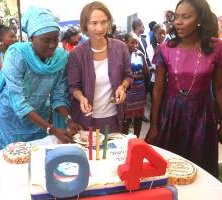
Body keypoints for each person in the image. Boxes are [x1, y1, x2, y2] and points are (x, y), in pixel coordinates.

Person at [145, 0, 222, 177]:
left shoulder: (216, 48)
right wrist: (154, 124)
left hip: (202, 117)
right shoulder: (166, 49)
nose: (178, 22)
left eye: (185, 17)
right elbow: (157, 90)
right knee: (169, 170)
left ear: (200, 19)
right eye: (176, 16)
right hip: (171, 116)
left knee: (200, 172)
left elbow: (218, 88)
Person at [0, 6, 81, 149]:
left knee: (38, 155)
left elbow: (58, 96)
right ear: (32, 38)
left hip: (39, 116)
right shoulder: (17, 55)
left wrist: (68, 119)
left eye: (55, 39)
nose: (52, 45)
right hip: (11, 118)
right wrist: (51, 129)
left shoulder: (60, 59)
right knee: (16, 158)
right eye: (46, 40)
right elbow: (19, 102)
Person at [67, 1, 133, 133]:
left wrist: (122, 86)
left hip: (113, 117)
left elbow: (128, 76)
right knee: (89, 153)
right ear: (85, 25)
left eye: (104, 22)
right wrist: (81, 98)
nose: (100, 28)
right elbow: (73, 86)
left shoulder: (120, 48)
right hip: (86, 119)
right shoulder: (77, 54)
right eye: (94, 23)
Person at [122, 32, 149, 137]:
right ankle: (124, 139)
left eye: (136, 43)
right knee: (127, 118)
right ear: (125, 42)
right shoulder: (122, 56)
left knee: (138, 117)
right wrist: (138, 76)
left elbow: (146, 74)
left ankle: (137, 139)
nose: (135, 45)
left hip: (139, 91)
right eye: (132, 43)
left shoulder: (138, 55)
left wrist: (143, 57)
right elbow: (123, 76)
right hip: (128, 90)